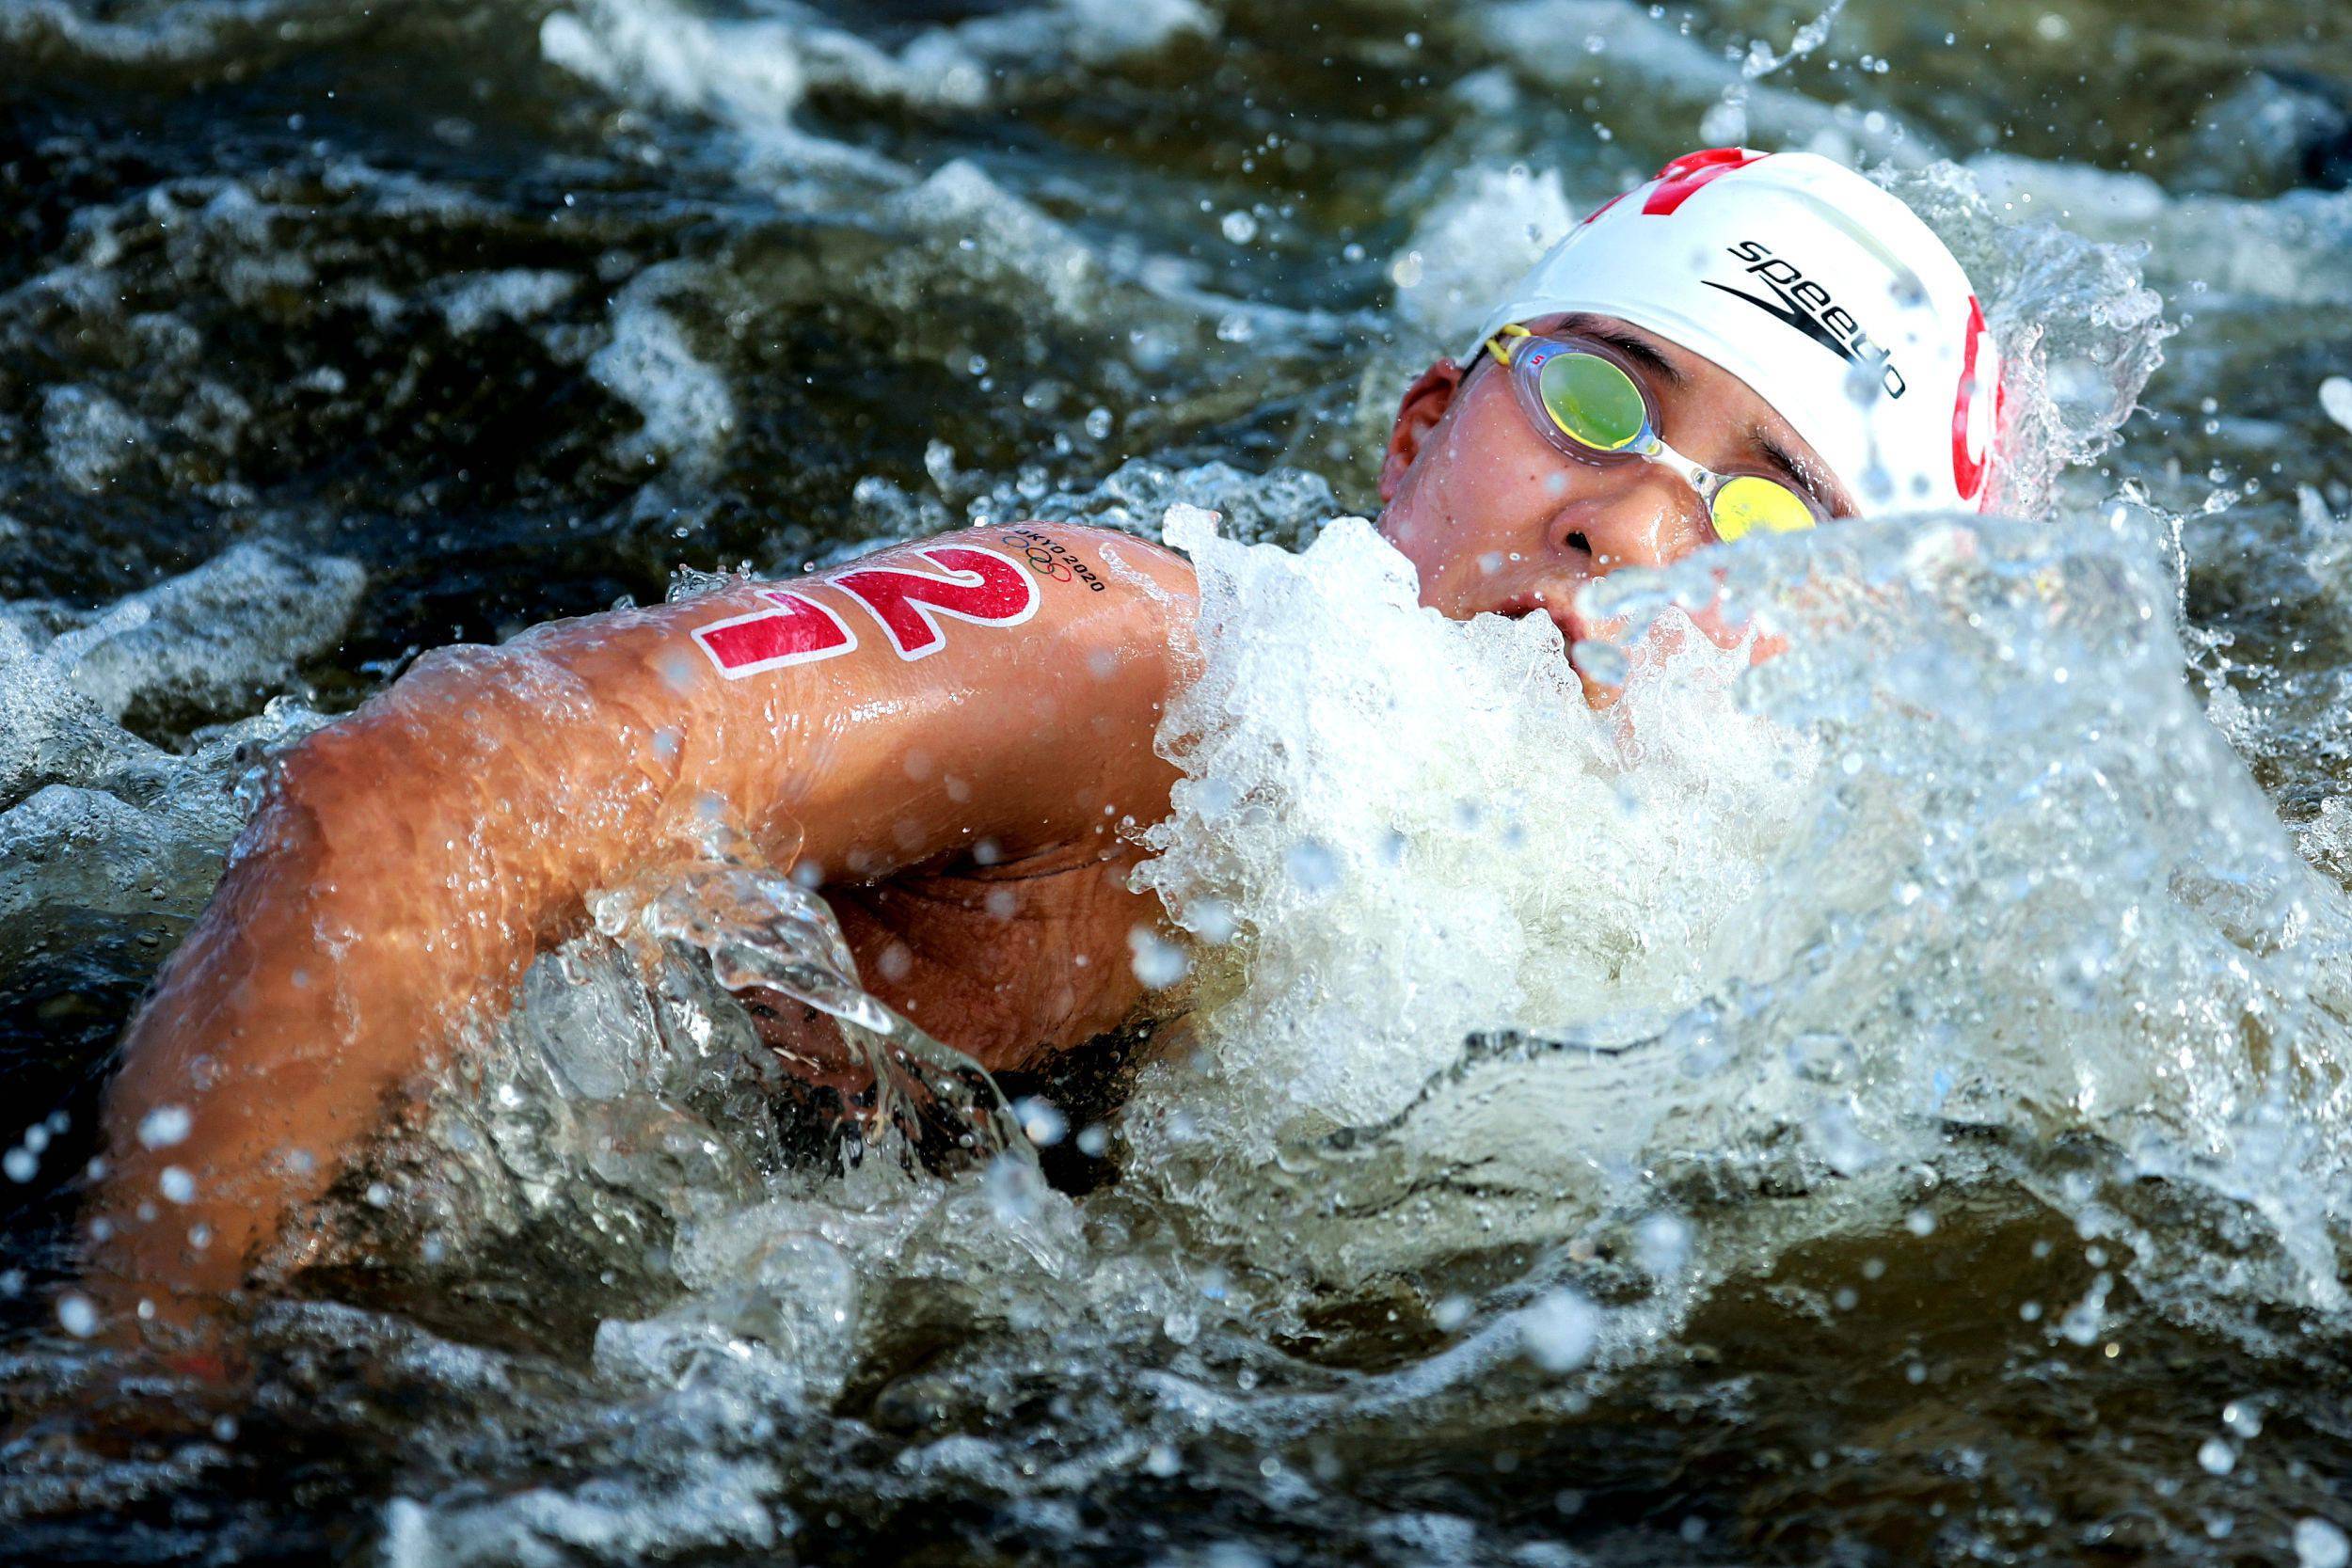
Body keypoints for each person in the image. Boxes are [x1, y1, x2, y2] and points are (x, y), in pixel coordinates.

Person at [87, 148, 2003, 1337]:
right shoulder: (1148, 667)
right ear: (1420, 429)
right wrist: (126, 1391)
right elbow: (407, 794)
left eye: (1767, 520)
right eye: (1592, 397)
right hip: (326, 1240)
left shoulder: (1791, 955)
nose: (1632, 523)